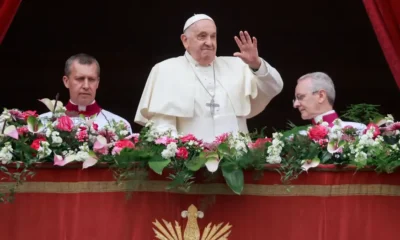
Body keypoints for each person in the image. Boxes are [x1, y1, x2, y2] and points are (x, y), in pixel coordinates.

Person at [134, 14, 283, 142]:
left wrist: (256, 64)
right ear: (185, 40)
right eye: (202, 36)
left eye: (213, 36)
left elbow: (274, 87)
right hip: (191, 167)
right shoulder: (166, 70)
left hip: (237, 164)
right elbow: (162, 126)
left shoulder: (239, 66)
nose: (209, 42)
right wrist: (178, 157)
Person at [40, 53, 132, 133]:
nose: (86, 86)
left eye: (91, 79)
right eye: (80, 79)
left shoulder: (120, 125)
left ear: (98, 83)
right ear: (66, 81)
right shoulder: (42, 123)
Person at [293, 71, 365, 131]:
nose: (295, 104)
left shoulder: (357, 130)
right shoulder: (298, 138)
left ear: (321, 96)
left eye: (300, 97)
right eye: (295, 99)